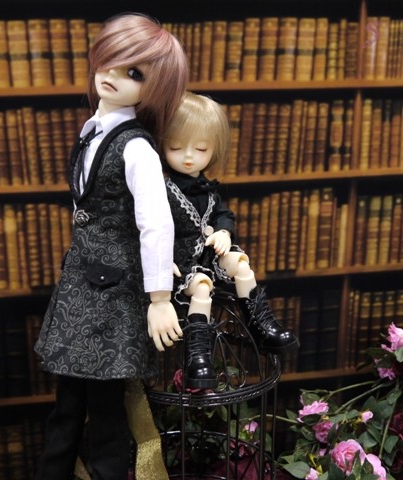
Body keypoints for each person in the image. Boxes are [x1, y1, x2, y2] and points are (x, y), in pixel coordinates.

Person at [34, 13, 188, 480]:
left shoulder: (136, 147)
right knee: (67, 405)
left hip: (114, 293)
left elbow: (156, 223)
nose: (113, 75)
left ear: (153, 88)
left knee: (105, 410)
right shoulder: (93, 130)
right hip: (81, 285)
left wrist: (159, 298)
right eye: (111, 61)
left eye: (133, 72)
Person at [162, 92, 299, 389]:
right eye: (176, 147)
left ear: (213, 149)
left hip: (209, 254)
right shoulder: (163, 188)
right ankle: (198, 353)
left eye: (200, 149)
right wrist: (159, 259)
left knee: (241, 263)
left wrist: (223, 232)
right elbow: (152, 228)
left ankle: (259, 323)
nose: (188, 156)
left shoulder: (208, 188)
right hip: (180, 261)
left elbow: (223, 214)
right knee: (202, 286)